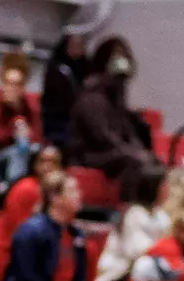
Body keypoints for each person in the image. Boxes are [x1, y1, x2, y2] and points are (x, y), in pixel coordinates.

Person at [67, 36, 158, 199]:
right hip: (88, 154)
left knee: (153, 163)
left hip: (111, 152)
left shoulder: (116, 98)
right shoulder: (92, 97)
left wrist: (141, 151)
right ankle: (130, 208)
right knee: (133, 160)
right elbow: (103, 137)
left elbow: (128, 133)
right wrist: (132, 153)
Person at [0, 143, 61, 281]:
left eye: (53, 162)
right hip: (8, 259)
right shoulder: (27, 189)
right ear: (34, 164)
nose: (47, 167)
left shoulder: (50, 192)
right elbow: (22, 235)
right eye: (43, 161)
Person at [93, 162, 169, 281]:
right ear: (154, 188)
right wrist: (167, 250)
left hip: (146, 271)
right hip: (119, 274)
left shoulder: (161, 215)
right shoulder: (133, 214)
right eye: (165, 185)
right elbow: (137, 252)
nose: (168, 189)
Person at [39, 33, 85, 149]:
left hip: (77, 121)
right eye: (73, 45)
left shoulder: (85, 68)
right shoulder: (55, 67)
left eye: (79, 46)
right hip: (56, 121)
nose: (76, 49)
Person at [0, 54, 39, 158]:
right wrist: (13, 132)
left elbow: (38, 138)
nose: (12, 88)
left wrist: (29, 134)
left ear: (23, 86)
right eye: (8, 83)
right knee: (18, 152)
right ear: (1, 83)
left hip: (24, 155)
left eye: (17, 84)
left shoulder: (30, 107)